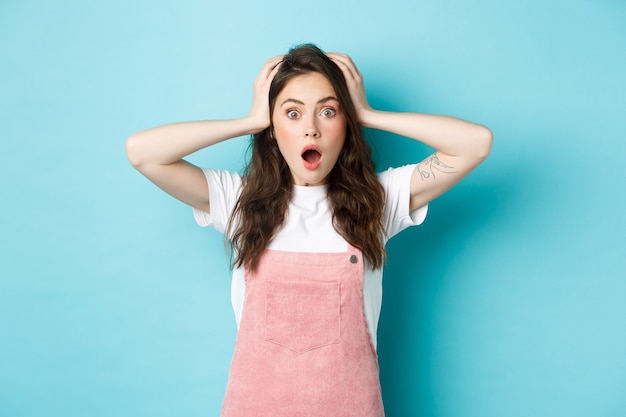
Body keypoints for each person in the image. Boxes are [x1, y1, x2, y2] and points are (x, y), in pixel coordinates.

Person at [125, 44, 492, 417]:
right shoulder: (237, 201)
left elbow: (475, 144)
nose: (311, 128)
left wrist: (368, 113)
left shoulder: (378, 202)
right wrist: (249, 121)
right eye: (293, 113)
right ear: (273, 129)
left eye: (328, 111)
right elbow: (142, 152)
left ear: (346, 126)